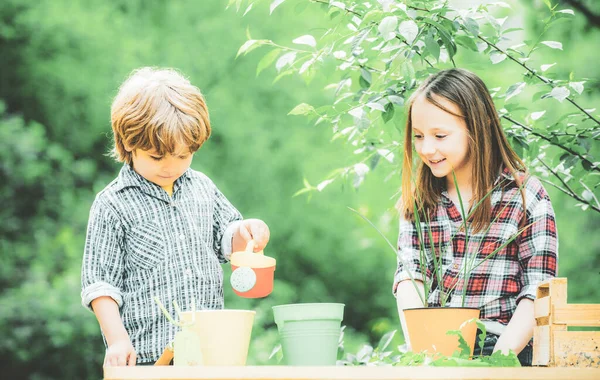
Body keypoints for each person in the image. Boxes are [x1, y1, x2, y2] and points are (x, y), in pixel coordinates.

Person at [81, 67, 270, 366]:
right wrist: (117, 341)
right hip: (149, 359)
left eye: (183, 156)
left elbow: (229, 240)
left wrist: (248, 231)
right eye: (157, 157)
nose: (170, 166)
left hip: (211, 354)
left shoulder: (202, 188)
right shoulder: (112, 204)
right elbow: (100, 284)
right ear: (129, 142)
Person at [392, 68, 558, 366]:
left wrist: (496, 364)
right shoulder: (420, 201)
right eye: (418, 136)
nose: (427, 149)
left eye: (440, 135)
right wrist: (424, 354)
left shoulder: (525, 195)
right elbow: (409, 278)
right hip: (435, 349)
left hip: (507, 348)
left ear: (476, 128)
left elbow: (539, 291)